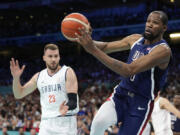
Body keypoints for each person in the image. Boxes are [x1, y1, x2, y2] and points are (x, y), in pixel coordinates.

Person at [75, 10, 171, 135]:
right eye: (148, 21)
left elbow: (128, 70)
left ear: (164, 28)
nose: (149, 24)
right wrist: (86, 40)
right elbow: (105, 47)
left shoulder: (163, 51)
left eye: (155, 23)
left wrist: (92, 49)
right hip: (121, 95)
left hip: (141, 103)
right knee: (98, 123)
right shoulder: (135, 39)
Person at [10, 44, 79, 135]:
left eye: (56, 56)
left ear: (59, 57)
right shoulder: (39, 76)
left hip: (65, 121)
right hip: (46, 123)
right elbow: (18, 94)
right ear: (44, 58)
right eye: (50, 56)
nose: (53, 59)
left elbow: (73, 101)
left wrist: (66, 107)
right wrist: (16, 78)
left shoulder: (67, 72)